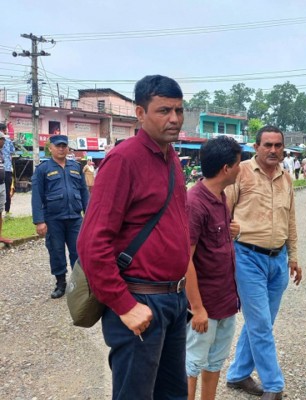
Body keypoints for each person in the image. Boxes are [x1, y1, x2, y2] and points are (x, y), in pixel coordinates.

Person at [77, 75, 190, 399]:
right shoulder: (124, 160)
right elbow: (92, 242)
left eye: (179, 111)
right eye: (164, 110)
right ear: (140, 114)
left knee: (172, 394)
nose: (174, 119)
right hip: (139, 299)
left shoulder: (171, 160)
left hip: (173, 300)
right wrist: (124, 305)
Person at [225, 125, 302, 400]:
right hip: (247, 257)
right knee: (259, 323)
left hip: (278, 260)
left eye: (277, 146)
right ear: (256, 147)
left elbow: (290, 220)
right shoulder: (240, 172)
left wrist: (293, 256)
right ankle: (273, 385)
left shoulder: (287, 179)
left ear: (283, 149)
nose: (272, 150)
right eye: (267, 145)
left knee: (262, 323)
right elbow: (222, 212)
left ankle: (237, 375)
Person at [185, 136, 242, 400]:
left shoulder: (221, 198)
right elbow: (185, 260)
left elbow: (217, 243)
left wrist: (233, 232)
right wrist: (197, 308)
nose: (241, 168)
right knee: (191, 365)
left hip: (225, 301)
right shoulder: (195, 203)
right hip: (204, 306)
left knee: (215, 362)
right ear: (226, 169)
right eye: (238, 163)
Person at [31, 134, 89, 298]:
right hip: (53, 218)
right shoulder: (43, 169)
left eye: (64, 146)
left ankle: (79, 283)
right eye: (58, 146)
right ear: (50, 148)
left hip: (75, 218)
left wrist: (89, 214)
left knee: (78, 251)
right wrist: (39, 221)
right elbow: (37, 196)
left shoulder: (76, 166)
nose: (62, 148)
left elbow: (84, 192)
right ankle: (60, 283)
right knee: (56, 251)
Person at [0, 123, 15, 218]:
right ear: (5, 130)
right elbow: (12, 151)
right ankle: (6, 211)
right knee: (6, 191)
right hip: (7, 169)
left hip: (2, 168)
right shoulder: (8, 140)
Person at [0, 132, 13, 244]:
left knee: (0, 210)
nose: (4, 142)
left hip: (2, 182)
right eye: (2, 140)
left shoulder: (2, 153)